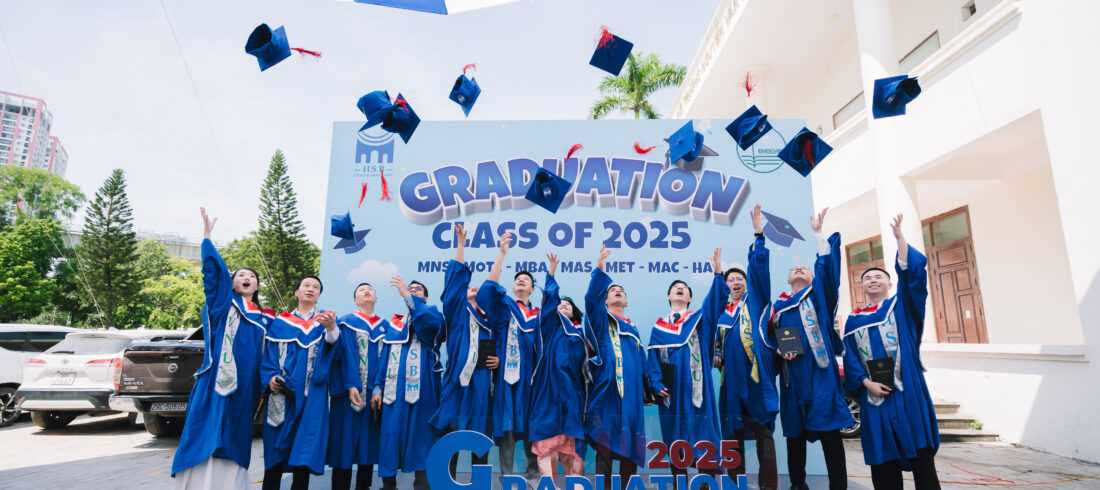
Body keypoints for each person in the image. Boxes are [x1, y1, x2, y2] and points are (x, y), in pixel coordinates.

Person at [172, 208, 271, 489]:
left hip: (246, 387)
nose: (246, 277)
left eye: (251, 276)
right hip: (217, 379)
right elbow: (213, 277)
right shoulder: (222, 306)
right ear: (232, 282)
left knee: (236, 433)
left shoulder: (266, 320)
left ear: (257, 286)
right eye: (240, 275)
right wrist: (207, 238)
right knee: (207, 426)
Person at [842, 215, 940, 490]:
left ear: (889, 284)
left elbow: (913, 279)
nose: (872, 280)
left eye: (879, 277)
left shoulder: (902, 307)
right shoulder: (853, 322)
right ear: (862, 287)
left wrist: (899, 238)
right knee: (884, 466)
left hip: (907, 393)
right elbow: (850, 359)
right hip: (875, 397)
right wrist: (866, 383)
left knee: (922, 462)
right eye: (867, 278)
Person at [766, 207, 851, 490]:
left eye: (804, 268)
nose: (799, 269)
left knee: (830, 435)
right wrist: (778, 351)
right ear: (788, 280)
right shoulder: (778, 308)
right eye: (794, 269)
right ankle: (797, 485)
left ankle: (838, 486)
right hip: (793, 379)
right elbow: (771, 341)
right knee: (795, 437)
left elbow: (827, 271)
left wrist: (818, 234)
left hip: (821, 376)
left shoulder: (819, 297)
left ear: (813, 278)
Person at [645, 248, 727, 481]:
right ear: (668, 297)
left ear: (690, 298)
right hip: (672, 394)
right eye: (675, 288)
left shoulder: (699, 321)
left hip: (696, 391)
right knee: (675, 440)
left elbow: (715, 304)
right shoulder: (659, 328)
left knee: (704, 436)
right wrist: (656, 383)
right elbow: (653, 360)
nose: (679, 288)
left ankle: (706, 484)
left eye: (684, 288)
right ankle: (678, 484)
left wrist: (718, 274)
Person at [715, 205, 780, 490]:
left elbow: (759, 271)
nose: (735, 282)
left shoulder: (756, 303)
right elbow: (715, 345)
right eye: (730, 280)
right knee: (733, 437)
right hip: (730, 383)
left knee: (763, 434)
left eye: (739, 278)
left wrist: (758, 235)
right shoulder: (721, 314)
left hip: (755, 381)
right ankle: (735, 484)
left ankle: (769, 485)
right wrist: (716, 356)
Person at [431, 223, 499, 479]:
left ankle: (478, 483)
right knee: (451, 431)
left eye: (477, 289)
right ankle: (446, 481)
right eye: (470, 287)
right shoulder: (457, 313)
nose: (473, 288)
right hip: (457, 380)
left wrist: (498, 360)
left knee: (479, 433)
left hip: (481, 381)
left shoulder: (490, 323)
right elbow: (454, 284)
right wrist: (461, 246)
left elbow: (501, 351)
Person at [261, 277, 341, 490]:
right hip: (282, 395)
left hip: (311, 395)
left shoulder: (326, 322)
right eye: (306, 285)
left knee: (304, 449)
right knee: (275, 449)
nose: (311, 289)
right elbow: (269, 357)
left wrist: (332, 329)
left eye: (316, 287)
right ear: (297, 292)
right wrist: (270, 378)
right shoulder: (280, 323)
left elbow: (335, 353)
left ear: (319, 295)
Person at [369, 274, 445, 490]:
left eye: (417, 289)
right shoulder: (395, 324)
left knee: (422, 434)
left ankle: (422, 484)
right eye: (410, 288)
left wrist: (406, 295)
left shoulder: (432, 314)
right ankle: (388, 485)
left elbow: (429, 323)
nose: (412, 289)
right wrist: (377, 387)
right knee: (389, 435)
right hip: (393, 390)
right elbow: (384, 358)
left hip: (424, 387)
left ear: (425, 298)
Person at [476, 232, 540, 481]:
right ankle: (508, 478)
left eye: (527, 280)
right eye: (518, 279)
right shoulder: (505, 306)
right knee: (508, 426)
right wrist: (502, 253)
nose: (521, 280)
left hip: (531, 380)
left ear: (532, 288)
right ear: (513, 287)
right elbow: (487, 292)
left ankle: (533, 476)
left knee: (532, 425)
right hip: (506, 378)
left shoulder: (540, 315)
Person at [584, 246, 647, 490]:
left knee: (630, 449)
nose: (617, 291)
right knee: (605, 448)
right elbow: (591, 302)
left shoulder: (634, 330)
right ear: (605, 300)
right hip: (608, 392)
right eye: (612, 290)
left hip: (631, 396)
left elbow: (643, 363)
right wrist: (600, 271)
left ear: (626, 301)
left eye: (621, 291)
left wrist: (651, 389)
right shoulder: (602, 321)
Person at [528, 252, 592, 482]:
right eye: (560, 304)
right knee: (547, 443)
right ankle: (548, 485)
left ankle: (576, 484)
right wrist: (551, 275)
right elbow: (548, 304)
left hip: (572, 393)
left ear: (575, 313)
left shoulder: (581, 334)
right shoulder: (549, 328)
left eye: (568, 305)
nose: (563, 306)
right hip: (548, 389)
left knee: (572, 447)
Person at [329, 283, 385, 490]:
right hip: (347, 393)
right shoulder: (345, 322)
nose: (367, 291)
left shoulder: (385, 327)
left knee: (367, 445)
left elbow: (388, 361)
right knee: (344, 443)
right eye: (361, 290)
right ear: (355, 300)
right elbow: (341, 357)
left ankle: (364, 487)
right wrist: (352, 384)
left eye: (371, 289)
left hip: (374, 395)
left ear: (376, 298)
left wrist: (379, 387)